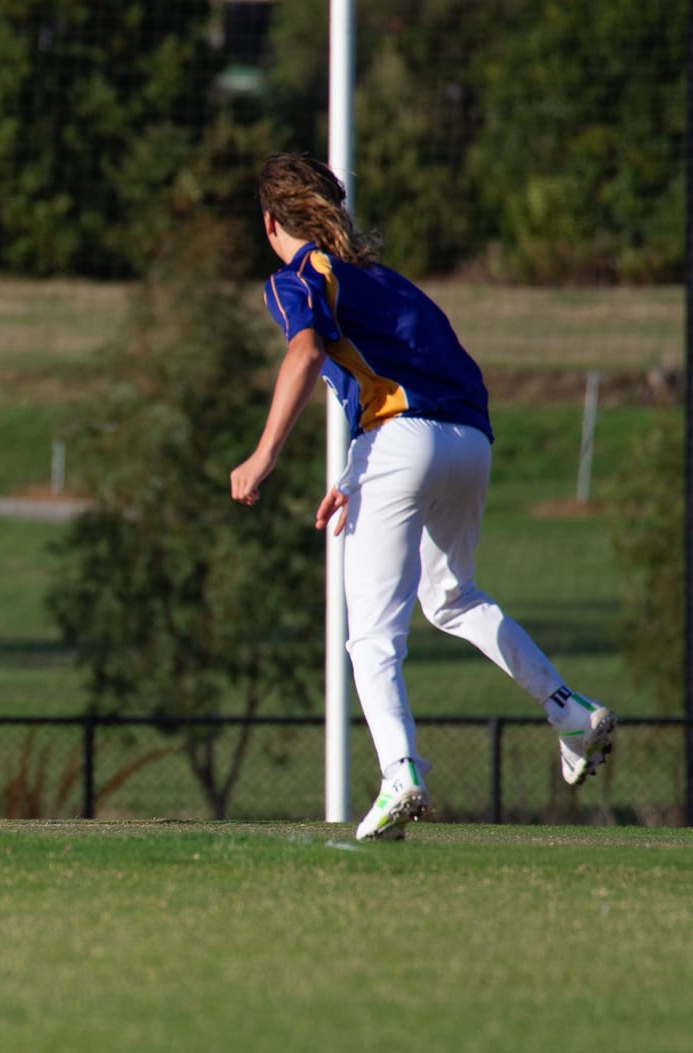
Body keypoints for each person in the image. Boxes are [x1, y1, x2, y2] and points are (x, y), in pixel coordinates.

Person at [229, 153, 617, 841]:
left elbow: (306, 353)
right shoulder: (386, 281)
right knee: (451, 596)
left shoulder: (298, 276)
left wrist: (263, 456)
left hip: (402, 443)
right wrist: (354, 473)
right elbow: (409, 376)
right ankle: (569, 710)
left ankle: (401, 773)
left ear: (269, 223)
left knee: (371, 634)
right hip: (471, 441)